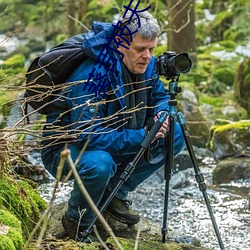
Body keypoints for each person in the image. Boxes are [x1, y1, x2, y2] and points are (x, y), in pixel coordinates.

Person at [41, 10, 185, 241]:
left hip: (116, 137)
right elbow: (87, 135)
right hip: (67, 150)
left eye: (152, 49)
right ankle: (76, 221)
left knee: (175, 133)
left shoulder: (146, 64)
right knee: (100, 164)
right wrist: (142, 135)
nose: (147, 56)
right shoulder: (92, 76)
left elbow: (160, 96)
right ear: (120, 45)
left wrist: (162, 113)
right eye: (140, 49)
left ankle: (115, 192)